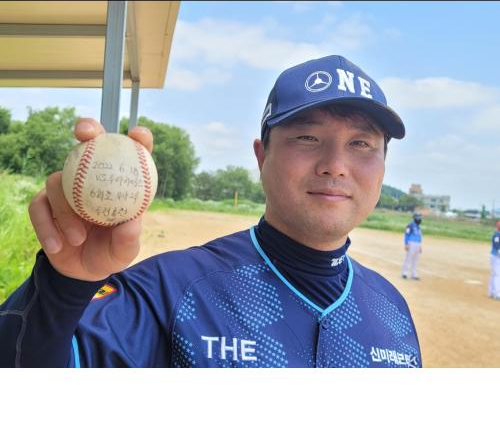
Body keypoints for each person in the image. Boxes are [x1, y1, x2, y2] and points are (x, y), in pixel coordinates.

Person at [0, 54, 421, 368]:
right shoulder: (167, 292)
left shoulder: (392, 311)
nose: (335, 164)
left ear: (383, 166)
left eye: (361, 144)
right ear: (262, 156)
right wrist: (62, 287)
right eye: (307, 138)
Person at [402, 212, 423, 280]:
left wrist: (420, 246)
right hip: (411, 243)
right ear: (415, 218)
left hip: (417, 244)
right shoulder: (410, 225)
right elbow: (407, 234)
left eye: (420, 217)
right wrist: (406, 244)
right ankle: (405, 273)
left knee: (415, 260)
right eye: (418, 217)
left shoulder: (419, 227)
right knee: (409, 258)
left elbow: (419, 237)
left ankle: (414, 274)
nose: (420, 219)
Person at [488, 220, 500, 300]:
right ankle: (497, 294)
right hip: (496, 256)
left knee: (494, 274)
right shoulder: (497, 235)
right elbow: (497, 246)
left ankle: (491, 292)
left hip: (495, 256)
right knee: (497, 275)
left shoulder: (497, 234)